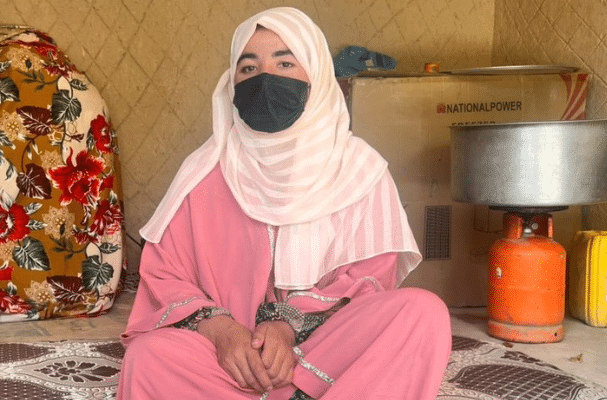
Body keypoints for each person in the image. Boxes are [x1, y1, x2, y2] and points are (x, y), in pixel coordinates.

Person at [117, 7, 451, 400]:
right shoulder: (205, 172)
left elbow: (369, 282)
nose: (265, 78)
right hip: (234, 362)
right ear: (232, 82)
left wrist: (285, 328)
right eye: (248, 68)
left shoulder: (360, 171)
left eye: (285, 62)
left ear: (317, 74)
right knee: (150, 357)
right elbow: (166, 277)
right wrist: (225, 333)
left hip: (327, 353)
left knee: (422, 313)